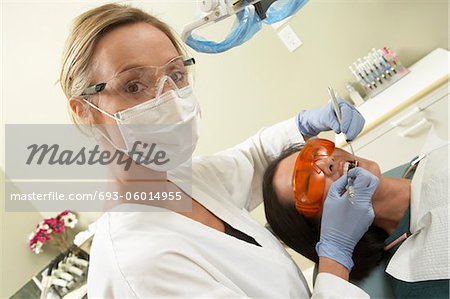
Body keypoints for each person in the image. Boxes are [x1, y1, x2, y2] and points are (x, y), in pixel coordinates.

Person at [60, 3, 374, 298]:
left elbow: (252, 158)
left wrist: (303, 124)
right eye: (133, 86)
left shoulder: (180, 181)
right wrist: (335, 255)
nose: (169, 98)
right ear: (84, 111)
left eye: (176, 75)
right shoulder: (139, 264)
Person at [263, 135, 449, 298]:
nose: (327, 162)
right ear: (323, 227)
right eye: (308, 183)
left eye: (316, 152)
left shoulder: (429, 156)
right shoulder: (419, 278)